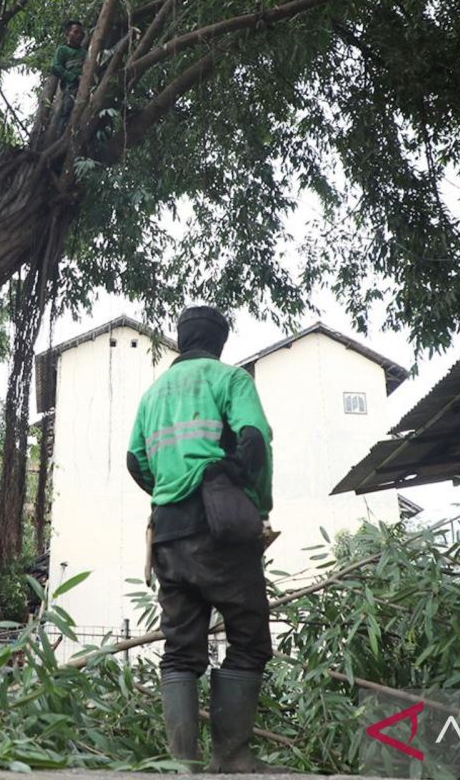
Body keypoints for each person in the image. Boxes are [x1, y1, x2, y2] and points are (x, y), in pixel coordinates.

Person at [127, 306, 283, 773]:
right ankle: (232, 758)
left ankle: (184, 767)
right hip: (221, 530)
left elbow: (136, 461)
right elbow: (255, 441)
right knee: (249, 640)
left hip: (167, 534)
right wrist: (253, 501)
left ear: (182, 340)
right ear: (219, 342)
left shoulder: (153, 395)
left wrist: (168, 490)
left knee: (180, 650)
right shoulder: (230, 379)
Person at [50, 19, 86, 134]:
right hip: (71, 88)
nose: (79, 35)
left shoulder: (85, 52)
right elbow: (55, 67)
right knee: (67, 111)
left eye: (81, 33)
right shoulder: (63, 50)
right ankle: (62, 136)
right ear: (67, 34)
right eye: (76, 32)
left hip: (86, 87)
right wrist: (74, 78)